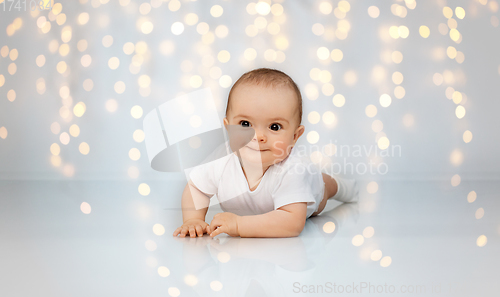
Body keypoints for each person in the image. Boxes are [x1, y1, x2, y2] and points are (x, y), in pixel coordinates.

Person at [173, 68, 358, 238]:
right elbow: (196, 188)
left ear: (295, 136)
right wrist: (192, 220)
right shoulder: (221, 160)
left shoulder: (294, 170)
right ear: (228, 128)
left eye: (274, 127)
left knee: (325, 185)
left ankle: (346, 186)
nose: (258, 136)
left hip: (311, 188)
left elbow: (291, 224)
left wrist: (239, 225)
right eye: (245, 124)